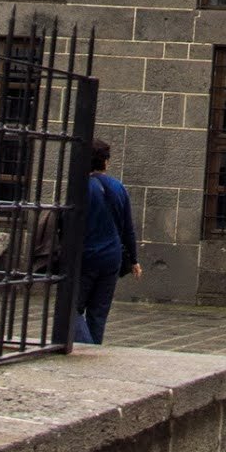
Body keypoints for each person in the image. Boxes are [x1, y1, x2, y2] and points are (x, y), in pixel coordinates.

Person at [75, 139, 141, 344]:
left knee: (71, 308)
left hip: (86, 255)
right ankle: (94, 350)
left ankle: (86, 347)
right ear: (105, 162)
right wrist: (134, 260)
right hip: (112, 257)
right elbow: (128, 228)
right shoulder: (118, 187)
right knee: (98, 313)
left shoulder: (80, 188)